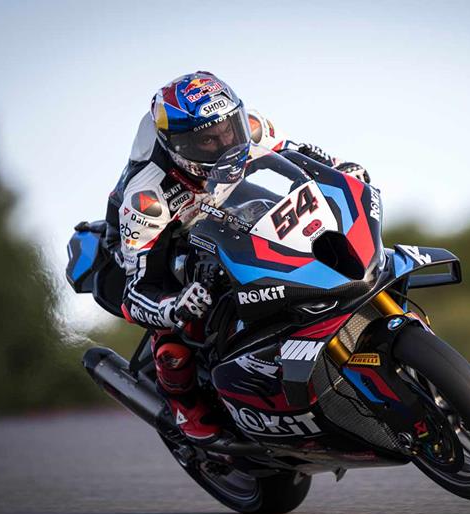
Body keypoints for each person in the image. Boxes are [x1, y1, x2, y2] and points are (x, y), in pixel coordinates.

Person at [105, 71, 370, 443]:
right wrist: (172, 306)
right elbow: (136, 292)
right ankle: (184, 407)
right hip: (162, 237)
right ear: (176, 145)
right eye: (206, 140)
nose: (223, 142)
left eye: (228, 129)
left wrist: (343, 172)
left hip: (222, 201)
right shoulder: (145, 196)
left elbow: (302, 157)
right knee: (187, 314)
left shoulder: (249, 125)